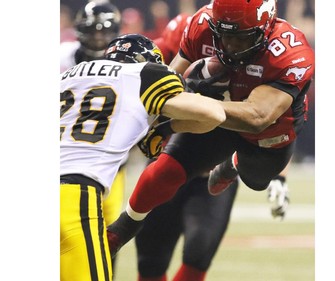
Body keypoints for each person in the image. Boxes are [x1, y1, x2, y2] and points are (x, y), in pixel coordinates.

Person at [107, 2, 315, 278]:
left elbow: (257, 116)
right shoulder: (201, 25)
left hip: (269, 132)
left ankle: (234, 163)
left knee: (256, 179)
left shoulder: (290, 52)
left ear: (266, 29)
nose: (229, 45)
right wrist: (154, 123)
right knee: (167, 168)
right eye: (224, 34)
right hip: (215, 117)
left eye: (241, 37)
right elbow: (167, 81)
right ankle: (121, 230)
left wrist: (190, 108)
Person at [60, 33, 226, 281]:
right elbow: (214, 114)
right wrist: (165, 127)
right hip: (73, 193)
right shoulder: (144, 74)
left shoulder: (68, 75)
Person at [133, 12, 239, 281]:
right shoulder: (190, 26)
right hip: (169, 156)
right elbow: (151, 66)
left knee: (198, 255)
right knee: (150, 260)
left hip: (213, 171)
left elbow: (278, 116)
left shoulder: (270, 49)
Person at [59, 2, 127, 274]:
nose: (98, 38)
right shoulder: (62, 57)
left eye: (104, 32)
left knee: (109, 237)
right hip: (71, 163)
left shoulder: (127, 64)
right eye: (93, 31)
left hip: (112, 167)